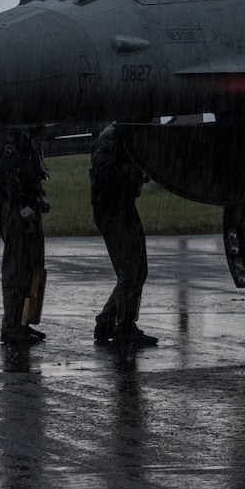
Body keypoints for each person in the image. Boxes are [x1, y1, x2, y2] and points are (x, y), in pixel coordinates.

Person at [90, 123, 157, 347]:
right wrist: (136, 170)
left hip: (123, 206)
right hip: (112, 209)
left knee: (138, 270)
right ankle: (124, 328)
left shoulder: (124, 135)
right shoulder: (112, 138)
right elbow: (104, 175)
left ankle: (108, 321)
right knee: (130, 271)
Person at [0, 128, 49, 346]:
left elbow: (30, 171)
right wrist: (21, 204)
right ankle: (12, 328)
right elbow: (7, 174)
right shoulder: (10, 134)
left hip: (27, 206)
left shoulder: (26, 134)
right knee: (17, 267)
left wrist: (39, 197)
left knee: (31, 266)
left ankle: (23, 323)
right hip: (15, 208)